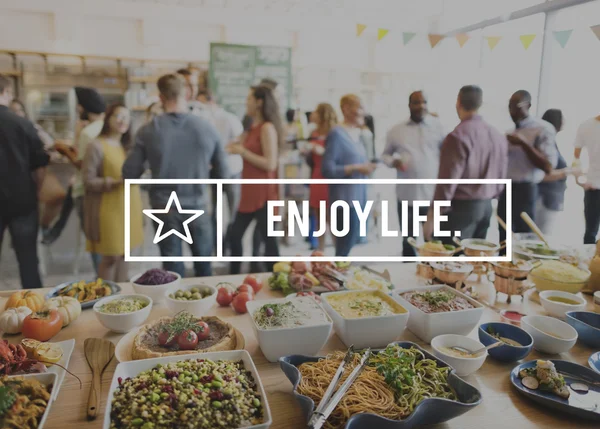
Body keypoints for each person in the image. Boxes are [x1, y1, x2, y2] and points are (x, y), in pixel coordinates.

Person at [123, 74, 230, 277]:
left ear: (161, 97)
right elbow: (223, 175)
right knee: (204, 268)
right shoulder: (207, 128)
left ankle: (176, 308)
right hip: (198, 206)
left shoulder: (148, 130)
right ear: (187, 94)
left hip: (165, 208)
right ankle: (207, 308)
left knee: (172, 271)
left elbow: (129, 173)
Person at [424, 85, 508, 243]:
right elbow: (502, 176)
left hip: (461, 210)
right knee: (474, 262)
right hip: (486, 208)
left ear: (458, 102)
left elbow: (446, 183)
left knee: (444, 261)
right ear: (480, 104)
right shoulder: (497, 135)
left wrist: (432, 218)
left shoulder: (457, 136)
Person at [82, 104, 143, 282]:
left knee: (126, 255)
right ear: (107, 119)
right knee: (111, 257)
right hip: (108, 209)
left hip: (130, 206)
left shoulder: (129, 147)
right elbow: (87, 180)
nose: (122, 120)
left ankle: (123, 298)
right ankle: (106, 298)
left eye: (126, 117)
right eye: (117, 116)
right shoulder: (96, 146)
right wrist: (114, 182)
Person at [227, 85, 283, 274]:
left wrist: (243, 151)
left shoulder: (267, 128)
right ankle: (234, 278)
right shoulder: (251, 127)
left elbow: (270, 163)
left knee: (269, 244)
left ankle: (276, 281)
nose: (246, 102)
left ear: (259, 102)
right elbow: (237, 145)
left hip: (264, 194)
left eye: (249, 99)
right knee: (234, 236)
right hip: (249, 193)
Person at [0, 74, 49, 288]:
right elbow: (39, 166)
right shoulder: (23, 124)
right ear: (8, 93)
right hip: (22, 200)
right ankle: (37, 311)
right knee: (28, 260)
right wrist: (37, 191)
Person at [382, 90, 445, 256]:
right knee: (408, 242)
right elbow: (384, 155)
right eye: (416, 102)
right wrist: (393, 161)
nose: (421, 106)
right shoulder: (396, 130)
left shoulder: (439, 128)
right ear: (409, 105)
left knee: (434, 243)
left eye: (424, 102)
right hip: (406, 196)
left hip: (432, 197)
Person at [49, 87, 106, 270]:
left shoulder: (88, 132)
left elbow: (81, 164)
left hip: (86, 192)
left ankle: (102, 279)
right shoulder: (104, 127)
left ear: (82, 107)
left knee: (94, 239)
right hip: (105, 190)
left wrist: (64, 150)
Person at [498, 90, 557, 243]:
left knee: (523, 236)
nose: (512, 111)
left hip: (526, 190)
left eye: (516, 106)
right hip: (506, 189)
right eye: (509, 106)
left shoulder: (542, 129)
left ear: (528, 105)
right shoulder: (509, 132)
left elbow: (548, 166)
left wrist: (524, 144)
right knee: (503, 233)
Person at [322, 94, 377, 256]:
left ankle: (340, 276)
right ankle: (336, 278)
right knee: (344, 247)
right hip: (344, 200)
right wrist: (357, 168)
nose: (363, 112)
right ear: (345, 109)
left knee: (350, 243)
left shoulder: (357, 135)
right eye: (359, 107)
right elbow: (328, 169)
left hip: (358, 198)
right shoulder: (337, 134)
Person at [195, 88, 244, 254]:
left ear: (211, 101)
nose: (199, 107)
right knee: (215, 210)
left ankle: (233, 243)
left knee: (234, 210)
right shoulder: (202, 120)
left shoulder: (229, 118)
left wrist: (221, 150)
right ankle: (218, 245)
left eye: (202, 103)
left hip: (232, 170)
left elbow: (240, 141)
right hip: (214, 171)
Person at [536, 109, 577, 234]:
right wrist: (567, 171)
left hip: (550, 199)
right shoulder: (545, 143)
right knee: (540, 237)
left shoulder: (551, 142)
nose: (564, 121)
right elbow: (542, 175)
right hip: (544, 198)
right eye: (562, 118)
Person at [305, 103, 338, 251]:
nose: (313, 114)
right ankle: (321, 251)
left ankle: (339, 253)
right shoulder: (313, 132)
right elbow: (310, 160)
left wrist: (322, 151)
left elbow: (338, 156)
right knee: (319, 217)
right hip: (316, 176)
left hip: (329, 178)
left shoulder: (335, 132)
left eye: (316, 112)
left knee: (332, 219)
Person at [573, 114, 600, 244]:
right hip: (593, 185)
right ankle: (589, 263)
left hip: (593, 185)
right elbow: (576, 157)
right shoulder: (587, 126)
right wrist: (580, 179)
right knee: (590, 232)